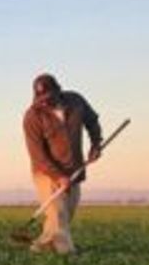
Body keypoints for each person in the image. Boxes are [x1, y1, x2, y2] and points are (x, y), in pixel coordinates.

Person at [23, 73, 102, 254]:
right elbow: (37, 154)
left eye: (48, 97)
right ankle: (67, 252)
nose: (44, 102)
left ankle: (41, 246)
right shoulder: (32, 116)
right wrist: (58, 176)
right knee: (58, 213)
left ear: (58, 90)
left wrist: (96, 144)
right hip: (46, 172)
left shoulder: (76, 101)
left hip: (74, 169)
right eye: (40, 98)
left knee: (64, 215)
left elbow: (92, 121)